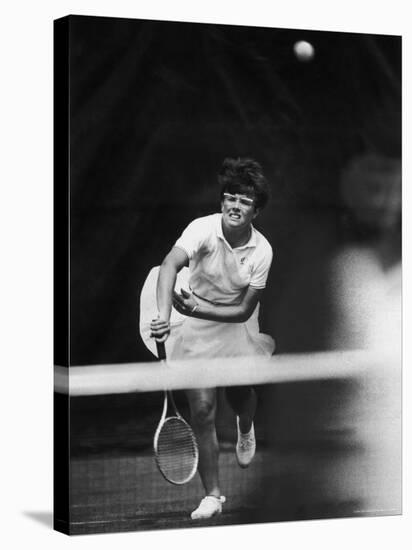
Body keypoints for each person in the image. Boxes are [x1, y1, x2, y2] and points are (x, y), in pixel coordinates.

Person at [150, 157, 275, 520]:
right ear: (222, 202)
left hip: (234, 320)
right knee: (202, 410)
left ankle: (245, 426)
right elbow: (169, 265)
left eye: (245, 200)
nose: (235, 205)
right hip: (194, 321)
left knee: (238, 395)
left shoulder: (262, 251)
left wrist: (196, 310)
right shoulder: (201, 229)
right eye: (230, 197)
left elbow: (241, 311)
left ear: (256, 210)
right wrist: (162, 315)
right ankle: (213, 496)